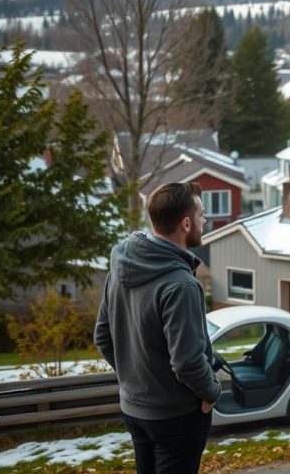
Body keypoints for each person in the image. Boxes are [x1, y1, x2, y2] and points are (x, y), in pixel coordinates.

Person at [95, 182, 222, 474]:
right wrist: (212, 392)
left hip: (134, 409)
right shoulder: (181, 284)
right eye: (201, 215)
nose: (205, 221)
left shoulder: (120, 268)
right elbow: (188, 362)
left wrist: (133, 380)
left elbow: (102, 337)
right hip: (176, 417)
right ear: (186, 223)